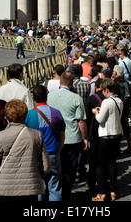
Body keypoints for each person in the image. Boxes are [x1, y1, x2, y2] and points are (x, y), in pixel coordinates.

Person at [0, 99, 51, 202]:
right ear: (25, 115)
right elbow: (46, 167)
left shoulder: (2, 136)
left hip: (5, 188)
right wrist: (34, 175)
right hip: (30, 189)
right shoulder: (36, 135)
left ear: (7, 117)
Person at [47, 71, 88, 201]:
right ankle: (65, 195)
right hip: (72, 138)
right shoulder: (76, 98)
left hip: (55, 137)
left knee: (54, 169)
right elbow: (81, 121)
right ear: (71, 84)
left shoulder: (50, 96)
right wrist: (85, 138)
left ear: (60, 82)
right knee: (69, 170)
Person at [25, 85, 65, 201]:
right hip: (52, 152)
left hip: (36, 155)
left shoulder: (29, 115)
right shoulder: (56, 113)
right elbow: (62, 136)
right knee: (55, 185)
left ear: (33, 97)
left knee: (38, 186)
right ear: (46, 97)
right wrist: (59, 150)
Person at [92, 78, 123, 201]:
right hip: (117, 134)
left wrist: (95, 112)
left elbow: (100, 120)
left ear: (106, 90)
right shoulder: (119, 101)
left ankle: (101, 193)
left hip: (106, 136)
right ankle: (113, 191)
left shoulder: (106, 102)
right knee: (112, 163)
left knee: (100, 165)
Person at [86, 78, 104, 193]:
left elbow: (87, 117)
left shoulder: (91, 99)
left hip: (94, 131)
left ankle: (92, 181)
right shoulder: (108, 99)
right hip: (106, 132)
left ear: (96, 87)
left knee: (93, 159)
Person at [112, 65, 131, 155]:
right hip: (125, 107)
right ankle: (130, 146)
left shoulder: (115, 82)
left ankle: (118, 147)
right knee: (126, 128)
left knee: (117, 128)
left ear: (116, 73)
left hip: (118, 107)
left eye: (113, 71)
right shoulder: (125, 81)